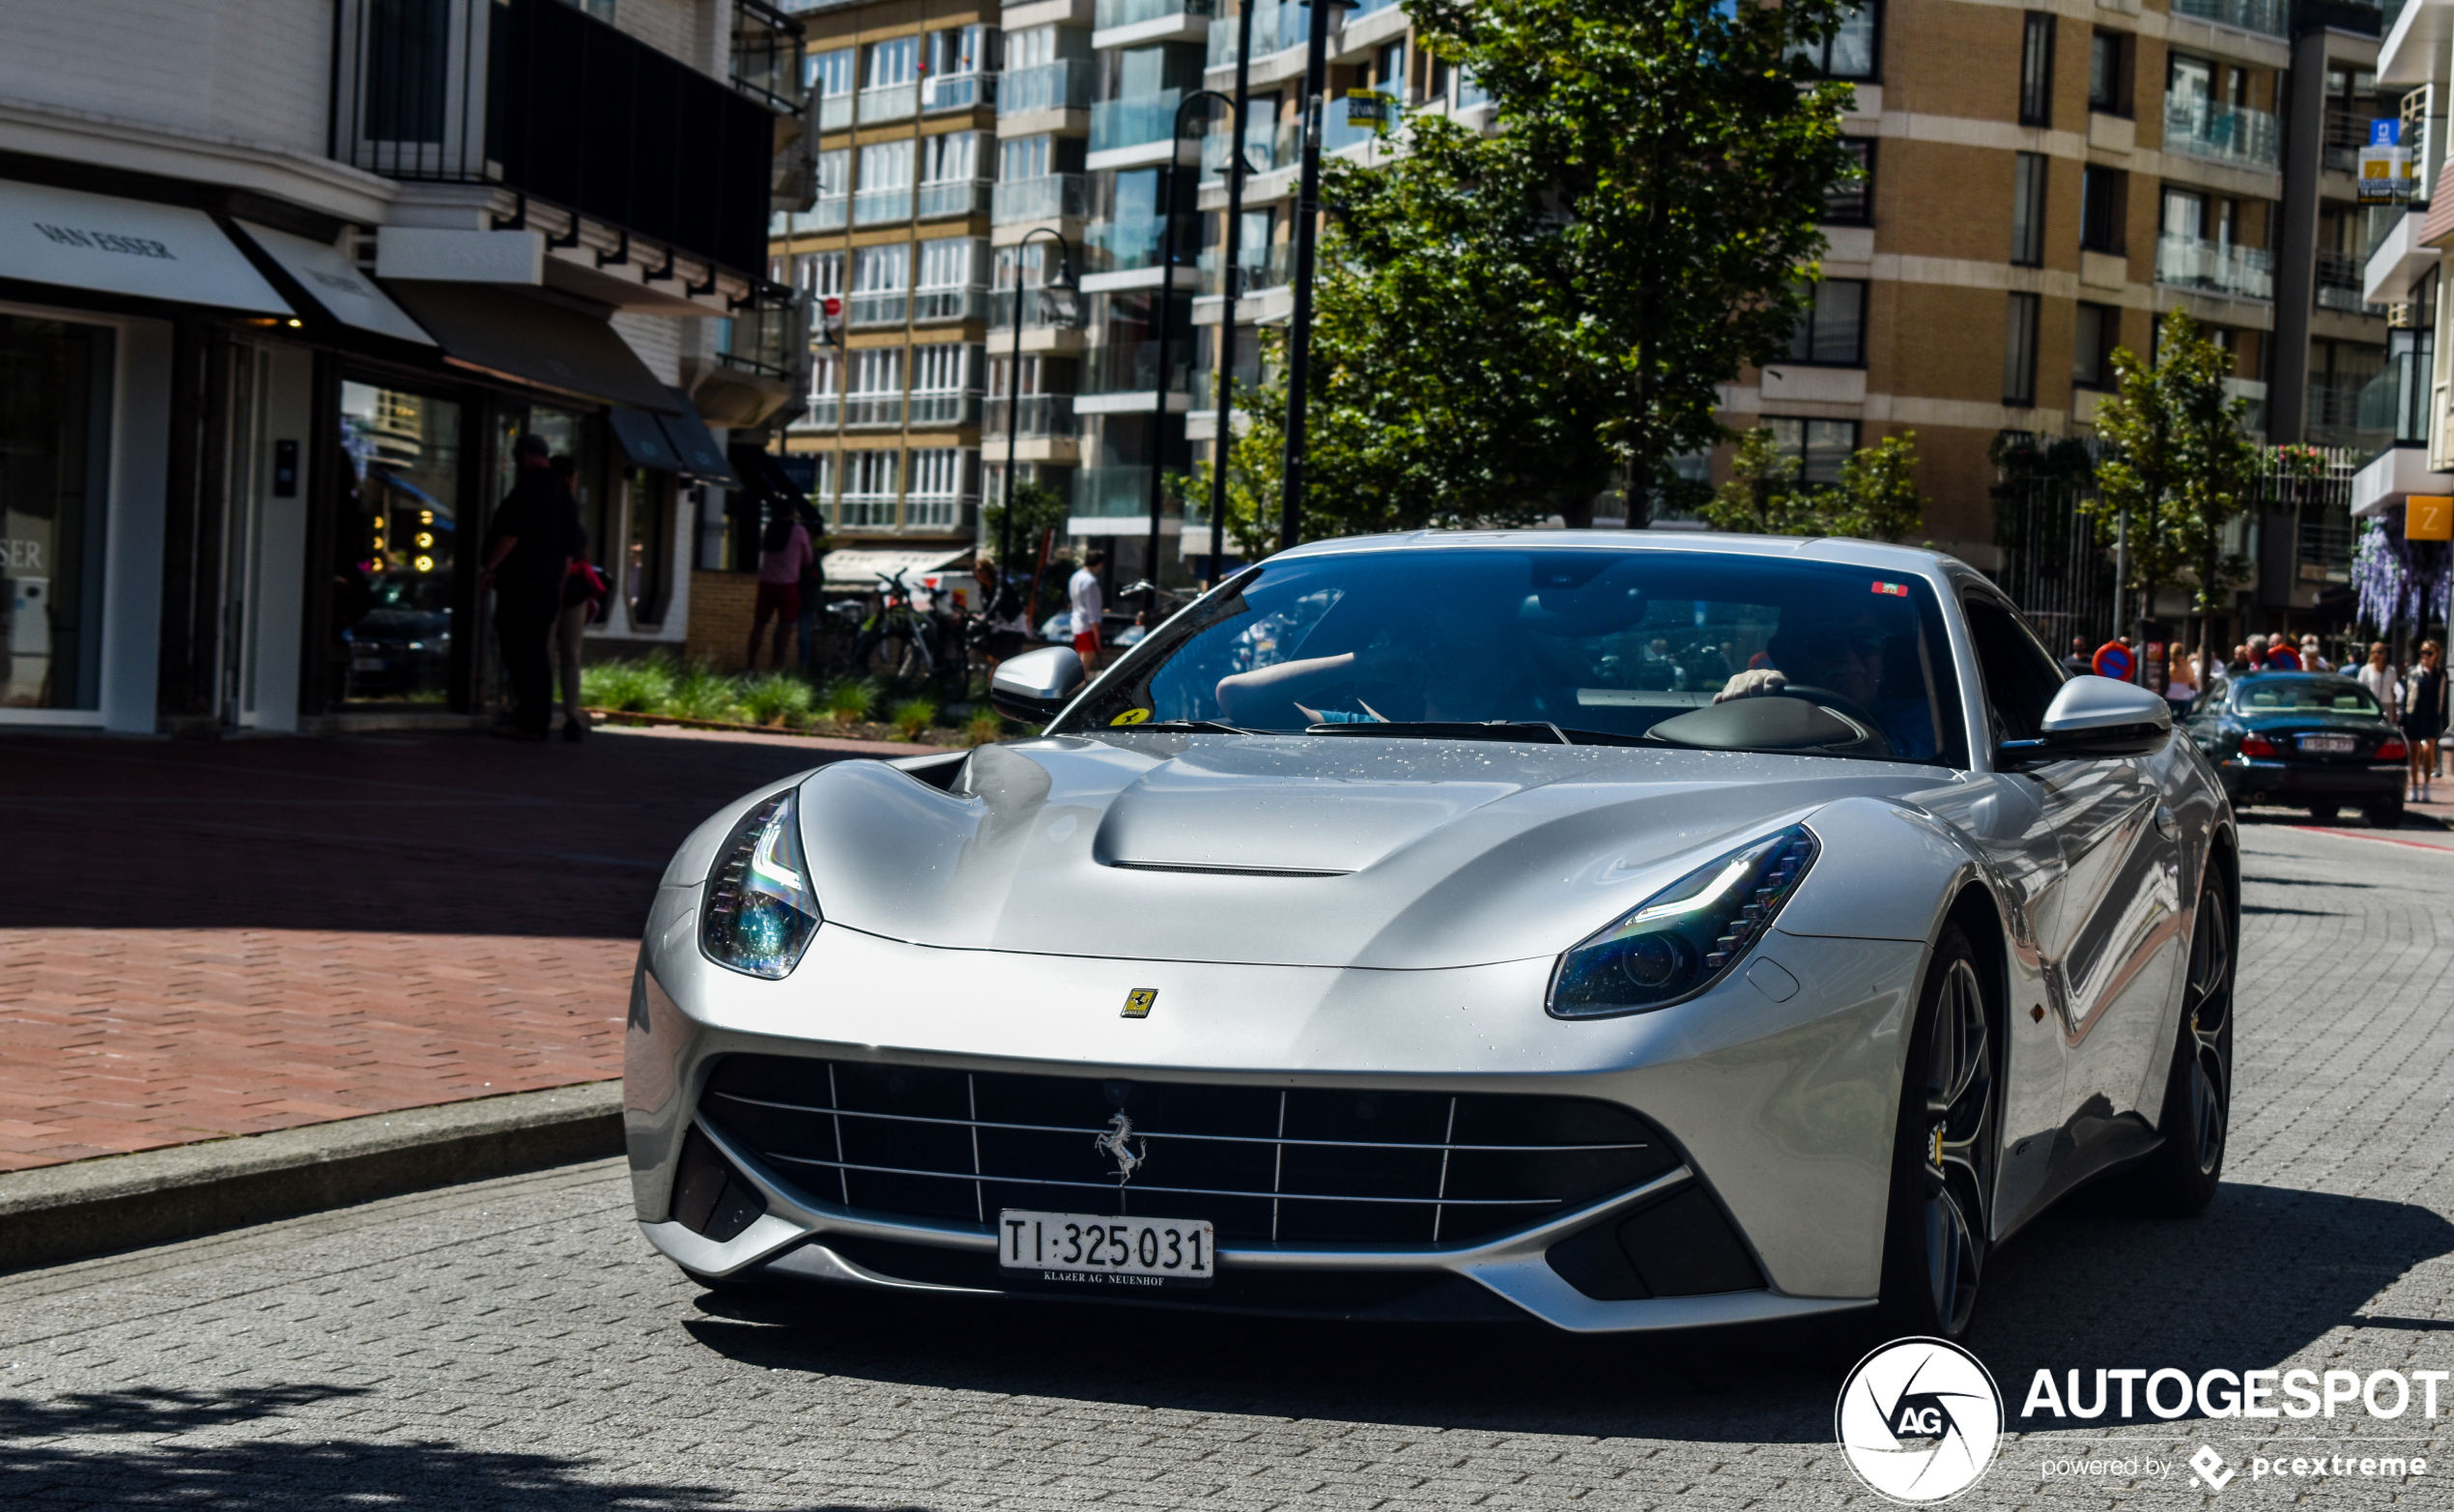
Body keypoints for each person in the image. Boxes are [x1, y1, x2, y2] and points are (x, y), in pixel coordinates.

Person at [1714, 600, 1938, 758]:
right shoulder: (1764, 712)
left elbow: (1892, 761)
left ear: (1883, 651)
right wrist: (1751, 696)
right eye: (1826, 641)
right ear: (1783, 653)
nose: (1849, 655)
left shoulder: (1920, 720)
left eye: (1865, 640)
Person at [480, 433, 580, 740]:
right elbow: (568, 550)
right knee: (538, 653)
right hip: (548, 586)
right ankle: (539, 717)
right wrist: (558, 586)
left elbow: (512, 532)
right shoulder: (564, 496)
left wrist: (491, 566)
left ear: (524, 456)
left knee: (519, 651)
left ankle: (528, 720)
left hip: (521, 583)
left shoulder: (529, 489)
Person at [546, 455, 604, 742]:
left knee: (557, 654)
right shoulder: (564, 506)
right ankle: (564, 713)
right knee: (567, 655)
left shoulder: (560, 506)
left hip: (562, 590)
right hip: (564, 589)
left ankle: (561, 713)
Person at [747, 507, 813, 671]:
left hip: (766, 584)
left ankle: (750, 667)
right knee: (786, 627)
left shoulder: (769, 527)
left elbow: (761, 546)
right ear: (792, 514)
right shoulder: (798, 530)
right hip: (788, 586)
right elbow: (808, 558)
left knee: (759, 625)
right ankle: (775, 668)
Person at [2407, 640, 2447, 804]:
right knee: (2414, 753)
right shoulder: (2413, 672)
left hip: (2431, 716)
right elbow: (2408, 695)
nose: (2425, 656)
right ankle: (2415, 786)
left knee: (2429, 748)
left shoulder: (2441, 675)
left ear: (2436, 655)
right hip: (2414, 715)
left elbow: (2443, 699)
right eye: (2423, 652)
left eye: (2429, 653)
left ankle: (2426, 786)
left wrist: (2443, 721)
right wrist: (2403, 717)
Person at [1069, 548, 1107, 671]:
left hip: (1077, 622)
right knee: (1086, 661)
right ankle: (1079, 689)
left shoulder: (1075, 577)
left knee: (1079, 658)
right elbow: (1093, 610)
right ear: (1099, 564)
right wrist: (1097, 635)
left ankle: (1076, 688)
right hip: (1088, 626)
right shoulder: (1090, 582)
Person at [2356, 642, 2401, 727]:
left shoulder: (2391, 671)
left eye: (2379, 652)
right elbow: (2361, 691)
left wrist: (2394, 712)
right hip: (2371, 706)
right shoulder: (2365, 670)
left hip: (2387, 706)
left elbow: (2392, 692)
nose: (2376, 655)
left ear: (2385, 654)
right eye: (2374, 652)